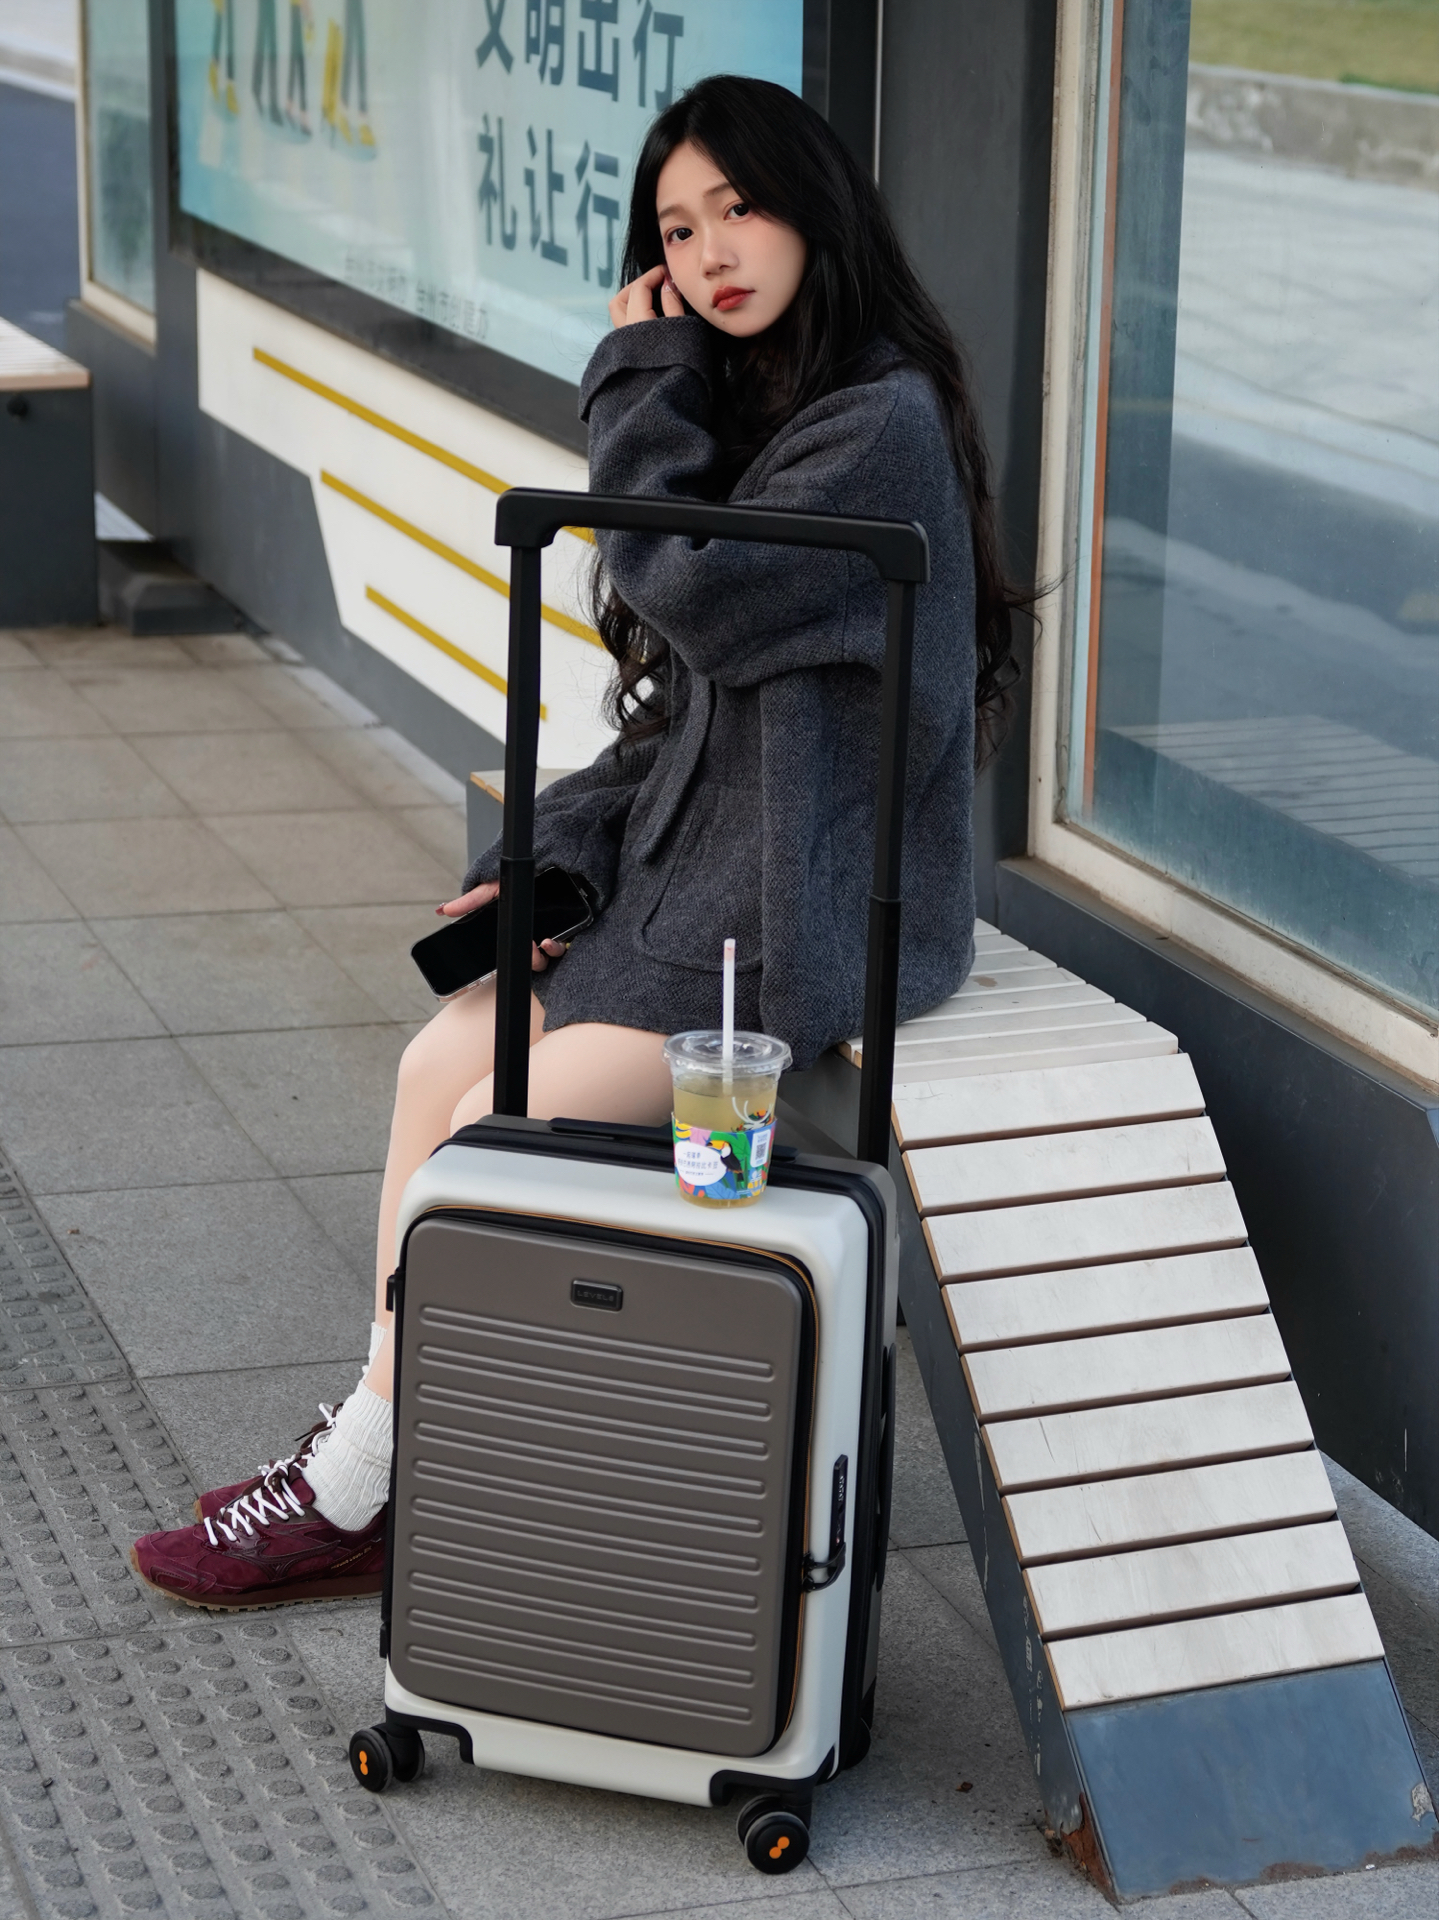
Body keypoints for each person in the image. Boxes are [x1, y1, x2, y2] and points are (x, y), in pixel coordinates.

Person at [129, 74, 1020, 1609]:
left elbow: (689, 594)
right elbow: (685, 721)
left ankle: (372, 1479)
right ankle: (378, 1463)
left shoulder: (877, 427)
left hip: (790, 920)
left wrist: (635, 381)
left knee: (490, 1134)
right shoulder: (770, 403)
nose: (710, 254)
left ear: (816, 210)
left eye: (739, 209)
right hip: (700, 884)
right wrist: (554, 855)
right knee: (436, 1064)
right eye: (676, 230)